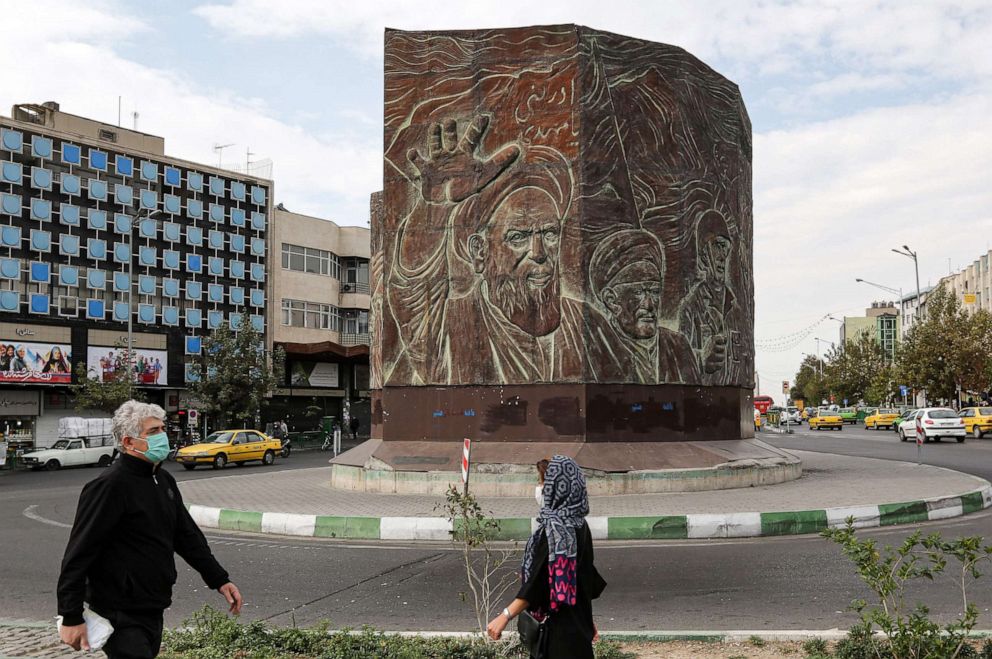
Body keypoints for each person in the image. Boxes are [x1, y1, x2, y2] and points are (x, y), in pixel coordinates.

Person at [57, 401, 243, 657]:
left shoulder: (163, 479)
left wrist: (219, 580)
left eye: (163, 428)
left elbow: (186, 536)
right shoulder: (109, 486)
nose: (163, 436)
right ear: (129, 442)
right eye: (153, 431)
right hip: (119, 613)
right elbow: (79, 553)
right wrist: (70, 615)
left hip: (153, 605)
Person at [487, 456, 606, 658]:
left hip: (557, 634)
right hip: (578, 628)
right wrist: (587, 619)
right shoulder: (580, 525)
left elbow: (538, 583)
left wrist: (504, 616)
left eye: (543, 482)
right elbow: (584, 580)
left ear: (557, 487)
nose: (539, 487)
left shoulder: (553, 532)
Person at [588, 229, 700, 385]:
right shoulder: (597, 352)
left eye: (654, 291)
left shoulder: (678, 347)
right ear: (611, 300)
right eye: (638, 292)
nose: (649, 305)